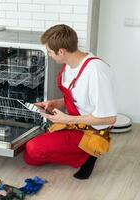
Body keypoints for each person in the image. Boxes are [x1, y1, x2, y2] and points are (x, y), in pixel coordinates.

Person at [23, 24, 117, 179]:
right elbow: (79, 100)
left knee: (33, 149)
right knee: (29, 158)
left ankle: (88, 155)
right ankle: (80, 151)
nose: (49, 55)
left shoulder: (95, 72)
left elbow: (110, 118)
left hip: (92, 131)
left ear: (61, 51)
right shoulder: (70, 65)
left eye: (50, 52)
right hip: (75, 123)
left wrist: (67, 119)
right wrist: (55, 103)